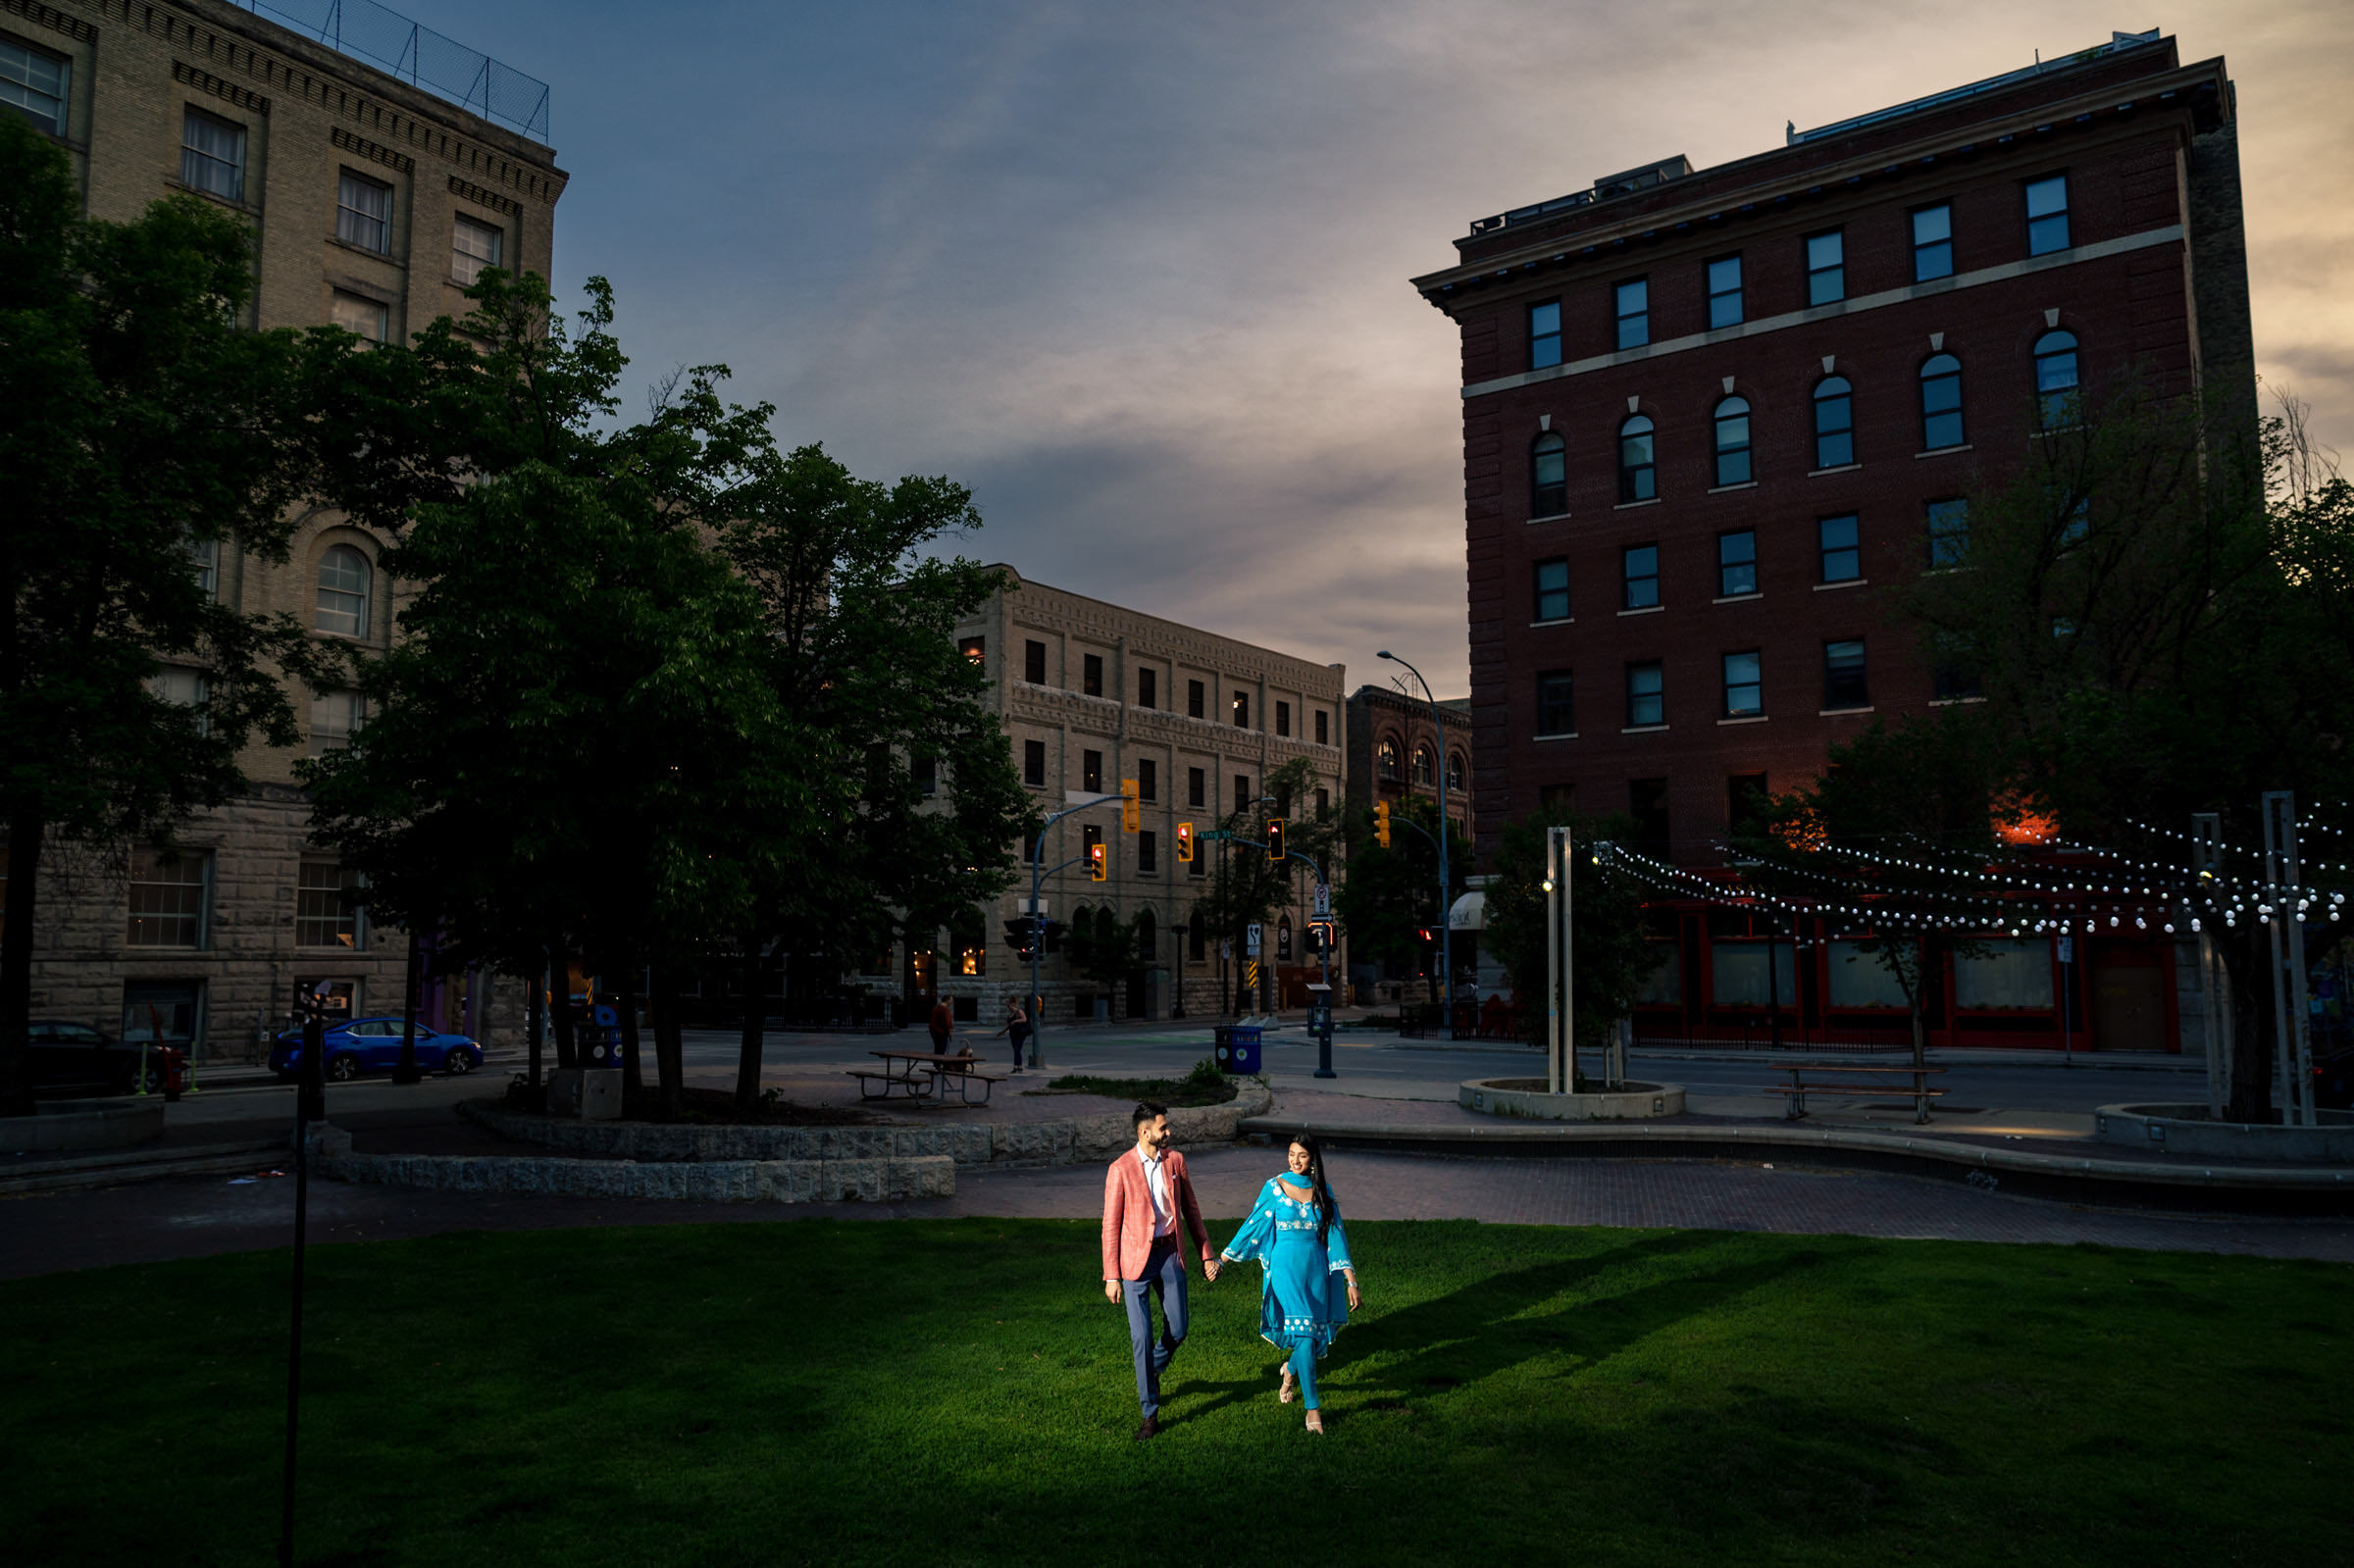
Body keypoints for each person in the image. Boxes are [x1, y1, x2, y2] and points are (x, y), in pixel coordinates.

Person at [1218, 1132, 1359, 1435]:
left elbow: (1336, 1234)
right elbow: (1252, 1225)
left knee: (1310, 1336)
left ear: (1312, 1161)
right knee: (1306, 1333)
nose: (1295, 1160)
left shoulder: (1324, 1191)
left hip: (1317, 1270)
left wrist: (1350, 1279)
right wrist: (1222, 1260)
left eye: (1302, 1156)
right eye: (1291, 1153)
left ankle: (1289, 1370)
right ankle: (1313, 1410)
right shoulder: (1274, 1187)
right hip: (1284, 1268)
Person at [1100, 1100, 1218, 1441]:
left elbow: (1191, 1211)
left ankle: (1150, 1372)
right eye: (1163, 1127)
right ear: (1145, 1131)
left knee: (1179, 1328)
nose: (1169, 1132)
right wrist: (1112, 1275)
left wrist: (1206, 1254)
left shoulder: (1175, 1162)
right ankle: (1149, 1413)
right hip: (1135, 1263)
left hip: (1169, 1255)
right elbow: (1110, 1226)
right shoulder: (1120, 1169)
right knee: (1142, 1337)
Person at [991, 996, 1030, 1074]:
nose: (1008, 1008)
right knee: (1017, 1050)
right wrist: (1003, 1032)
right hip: (1013, 1035)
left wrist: (1015, 1021)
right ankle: (1020, 1067)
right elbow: (1009, 1025)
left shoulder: (1019, 1011)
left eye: (1009, 1006)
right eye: (1008, 1006)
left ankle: (1016, 1066)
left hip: (1020, 1034)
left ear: (1013, 1004)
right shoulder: (1011, 1014)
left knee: (1017, 1050)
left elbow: (1024, 1019)